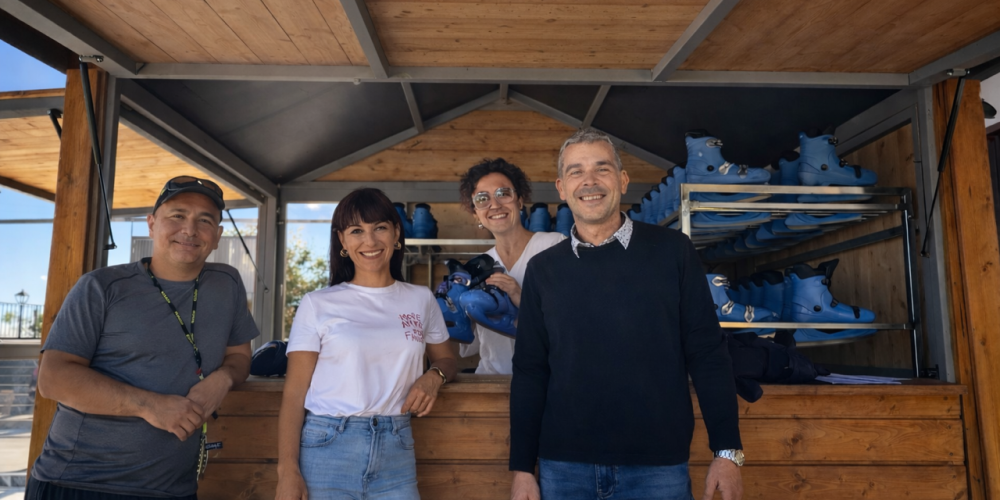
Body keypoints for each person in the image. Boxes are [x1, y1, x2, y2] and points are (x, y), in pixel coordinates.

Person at [509, 129, 744, 500]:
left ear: (622, 179)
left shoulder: (673, 252)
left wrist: (728, 453)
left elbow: (708, 354)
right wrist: (522, 467)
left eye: (602, 169)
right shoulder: (542, 269)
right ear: (561, 187)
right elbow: (529, 370)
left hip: (658, 469)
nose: (589, 181)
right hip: (564, 468)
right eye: (576, 172)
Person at [29, 176, 260, 499]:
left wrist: (222, 379)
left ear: (218, 236)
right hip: (79, 483)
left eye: (204, 220)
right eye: (177, 216)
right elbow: (53, 378)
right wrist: (150, 406)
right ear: (152, 224)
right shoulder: (101, 287)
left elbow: (239, 356)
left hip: (174, 489)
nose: (190, 230)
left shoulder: (227, 283)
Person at [276, 188, 457, 500]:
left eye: (380, 228)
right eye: (357, 231)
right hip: (327, 447)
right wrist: (287, 471)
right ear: (342, 241)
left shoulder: (420, 298)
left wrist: (434, 378)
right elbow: (294, 393)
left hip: (397, 447)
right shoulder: (317, 304)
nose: (370, 242)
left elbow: (447, 358)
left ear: (397, 233)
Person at [456, 158, 565, 374]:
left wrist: (519, 295)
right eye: (482, 198)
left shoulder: (553, 246)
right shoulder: (474, 268)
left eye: (503, 194)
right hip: (490, 382)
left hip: (546, 383)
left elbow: (569, 323)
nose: (494, 205)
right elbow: (470, 344)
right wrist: (455, 310)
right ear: (475, 212)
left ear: (520, 200)